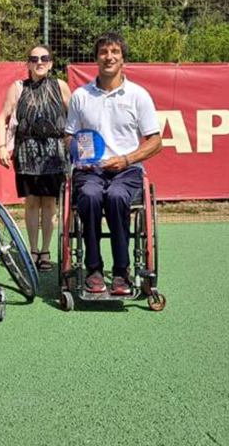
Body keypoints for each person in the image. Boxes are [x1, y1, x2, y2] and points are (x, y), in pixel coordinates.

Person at [64, 32, 162, 295]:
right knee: (90, 196)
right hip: (89, 172)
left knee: (118, 197)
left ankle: (121, 272)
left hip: (126, 170)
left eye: (115, 52)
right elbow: (69, 136)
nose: (109, 57)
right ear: (96, 58)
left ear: (123, 60)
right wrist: (80, 156)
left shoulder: (138, 95)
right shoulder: (80, 96)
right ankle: (94, 269)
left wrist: (127, 159)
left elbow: (155, 141)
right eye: (104, 52)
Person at [0, 45, 71, 271]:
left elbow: (76, 116)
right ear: (28, 63)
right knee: (31, 203)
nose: (40, 62)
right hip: (26, 151)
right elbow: (3, 118)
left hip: (55, 153)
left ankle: (45, 251)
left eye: (45, 58)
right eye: (34, 58)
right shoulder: (18, 87)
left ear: (51, 62)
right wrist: (1, 146)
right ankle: (32, 249)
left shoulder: (61, 86)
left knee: (49, 203)